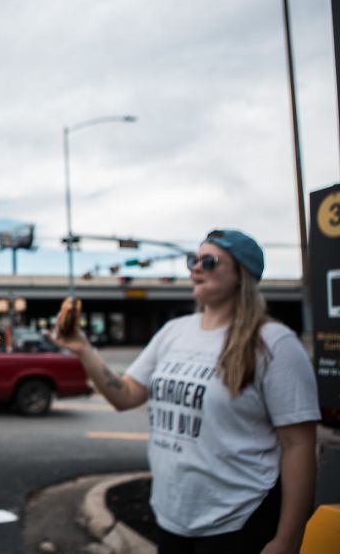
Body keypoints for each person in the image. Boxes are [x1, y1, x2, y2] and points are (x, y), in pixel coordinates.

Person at [53, 229, 320, 554]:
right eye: (193, 259)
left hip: (239, 520)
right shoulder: (174, 332)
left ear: (242, 274)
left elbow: (299, 444)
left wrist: (288, 539)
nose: (195, 267)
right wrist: (83, 349)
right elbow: (125, 395)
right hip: (172, 517)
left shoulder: (274, 343)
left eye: (209, 261)